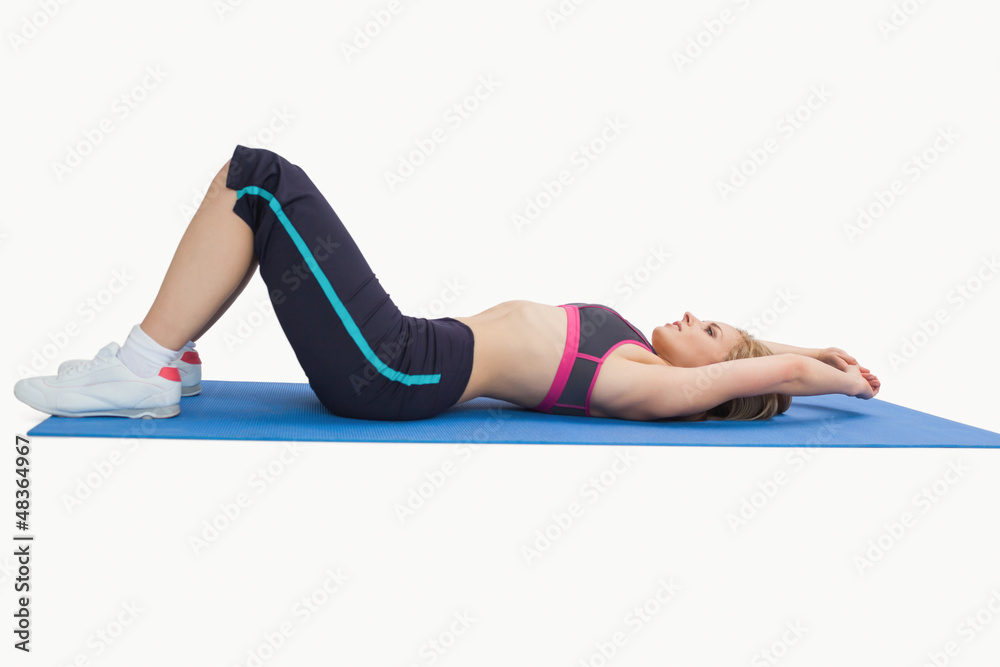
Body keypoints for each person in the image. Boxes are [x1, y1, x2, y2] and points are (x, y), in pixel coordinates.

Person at [13, 145, 880, 422]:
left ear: (718, 377)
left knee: (263, 181)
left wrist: (829, 379)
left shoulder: (648, 387)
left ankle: (144, 369)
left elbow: (761, 371)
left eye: (712, 330)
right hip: (407, 353)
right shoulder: (635, 348)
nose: (695, 316)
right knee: (253, 184)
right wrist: (815, 344)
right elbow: (763, 356)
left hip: (393, 369)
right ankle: (168, 356)